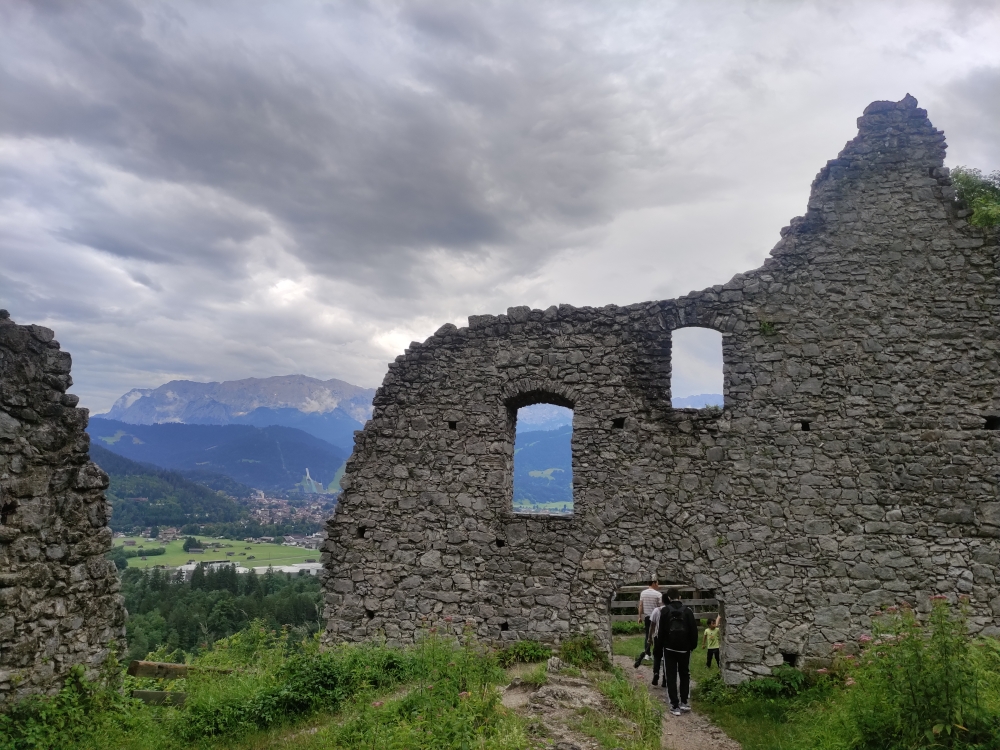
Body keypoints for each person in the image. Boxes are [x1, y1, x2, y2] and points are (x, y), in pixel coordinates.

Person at [654, 589, 698, 716]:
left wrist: (660, 647)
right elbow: (693, 630)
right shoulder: (688, 611)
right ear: (679, 596)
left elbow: (660, 631)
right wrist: (692, 646)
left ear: (668, 597)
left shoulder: (665, 611)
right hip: (685, 649)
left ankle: (674, 705)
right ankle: (684, 702)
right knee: (685, 674)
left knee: (671, 676)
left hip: (669, 648)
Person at [632, 579, 662, 668]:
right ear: (653, 583)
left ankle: (647, 653)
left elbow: (640, 605)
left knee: (647, 635)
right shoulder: (658, 594)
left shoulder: (643, 593)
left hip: (647, 616)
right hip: (656, 617)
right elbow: (661, 607)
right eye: (657, 583)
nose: (658, 585)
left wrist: (639, 616)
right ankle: (656, 653)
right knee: (656, 635)